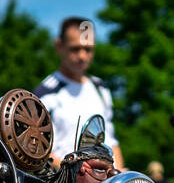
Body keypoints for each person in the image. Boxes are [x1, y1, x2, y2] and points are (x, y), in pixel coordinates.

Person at [33, 16, 123, 169]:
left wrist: (117, 174)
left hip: (104, 181)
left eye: (88, 49)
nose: (82, 56)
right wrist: (77, 174)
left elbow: (111, 141)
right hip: (64, 181)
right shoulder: (45, 94)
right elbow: (38, 150)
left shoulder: (101, 88)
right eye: (75, 49)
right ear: (59, 46)